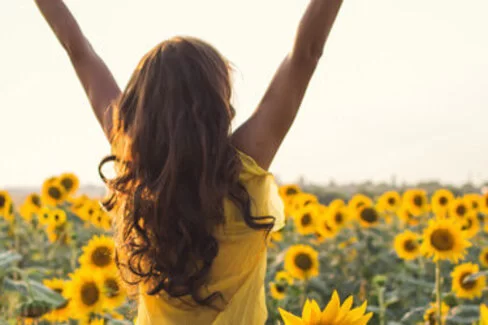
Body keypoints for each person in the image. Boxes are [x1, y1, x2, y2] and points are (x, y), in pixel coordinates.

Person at [34, 0, 343, 324]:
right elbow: (305, 56)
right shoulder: (243, 171)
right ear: (216, 102)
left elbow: (79, 53)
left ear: (142, 109)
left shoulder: (135, 166)